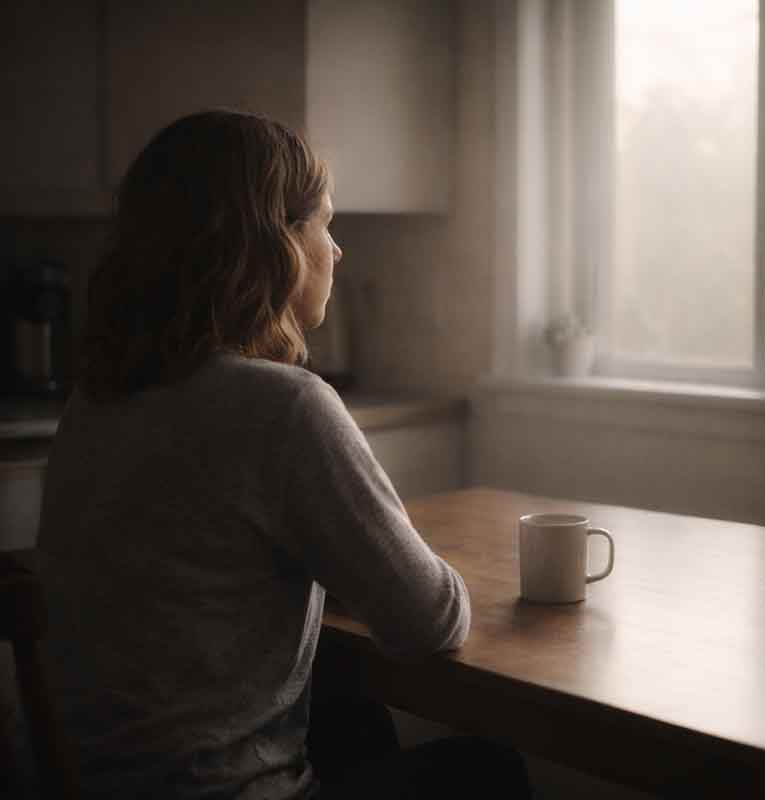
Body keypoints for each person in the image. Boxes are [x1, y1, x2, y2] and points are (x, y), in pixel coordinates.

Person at [37, 109, 532, 799]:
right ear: (275, 242)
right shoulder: (281, 406)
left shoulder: (95, 403)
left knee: (349, 712)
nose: (336, 250)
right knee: (487, 771)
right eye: (323, 223)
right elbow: (432, 619)